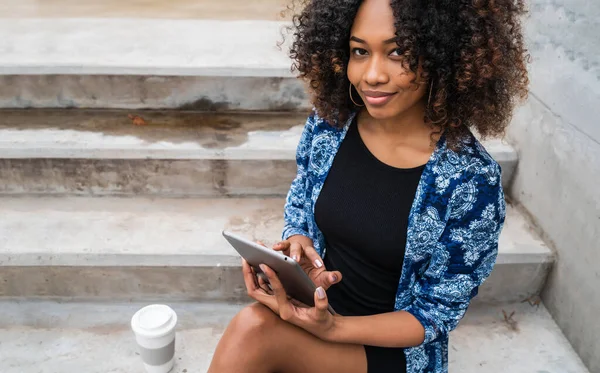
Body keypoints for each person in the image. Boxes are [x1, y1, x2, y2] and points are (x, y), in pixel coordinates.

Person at [207, 0, 528, 372]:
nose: (372, 74)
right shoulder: (331, 124)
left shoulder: (471, 180)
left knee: (253, 329)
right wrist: (299, 244)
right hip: (317, 309)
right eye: (360, 51)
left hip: (387, 347)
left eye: (398, 53)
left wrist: (334, 328)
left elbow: (434, 315)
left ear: (447, 55)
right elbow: (301, 199)